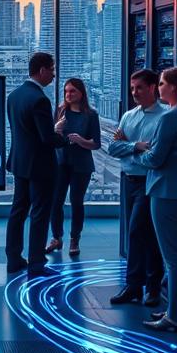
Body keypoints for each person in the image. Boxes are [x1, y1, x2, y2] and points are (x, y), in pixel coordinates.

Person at [134, 66, 177, 332]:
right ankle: (176, 308)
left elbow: (155, 159)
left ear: (173, 87)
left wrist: (138, 153)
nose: (158, 87)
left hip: (165, 193)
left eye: (161, 83)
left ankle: (174, 317)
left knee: (171, 259)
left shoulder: (169, 118)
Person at [107, 70, 167, 308]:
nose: (134, 93)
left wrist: (127, 147)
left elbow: (155, 154)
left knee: (139, 232)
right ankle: (138, 286)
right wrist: (135, 146)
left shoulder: (165, 117)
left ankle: (145, 287)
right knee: (142, 234)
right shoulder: (128, 116)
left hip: (149, 182)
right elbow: (113, 148)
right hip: (129, 181)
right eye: (133, 88)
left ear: (153, 87)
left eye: (140, 88)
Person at [5, 51, 67, 277]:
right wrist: (64, 136)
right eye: (52, 70)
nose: (53, 75)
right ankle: (36, 263)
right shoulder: (40, 99)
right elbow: (47, 138)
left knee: (18, 211)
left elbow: (23, 132)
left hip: (20, 163)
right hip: (40, 166)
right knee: (40, 213)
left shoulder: (14, 95)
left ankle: (13, 259)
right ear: (41, 70)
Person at [46, 78, 101, 256]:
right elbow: (52, 137)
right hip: (60, 162)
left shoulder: (91, 115)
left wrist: (81, 140)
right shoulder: (60, 111)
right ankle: (56, 238)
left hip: (81, 165)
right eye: (66, 91)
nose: (68, 95)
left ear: (81, 93)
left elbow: (96, 144)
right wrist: (57, 130)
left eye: (72, 91)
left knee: (77, 202)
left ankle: (74, 239)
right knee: (56, 202)